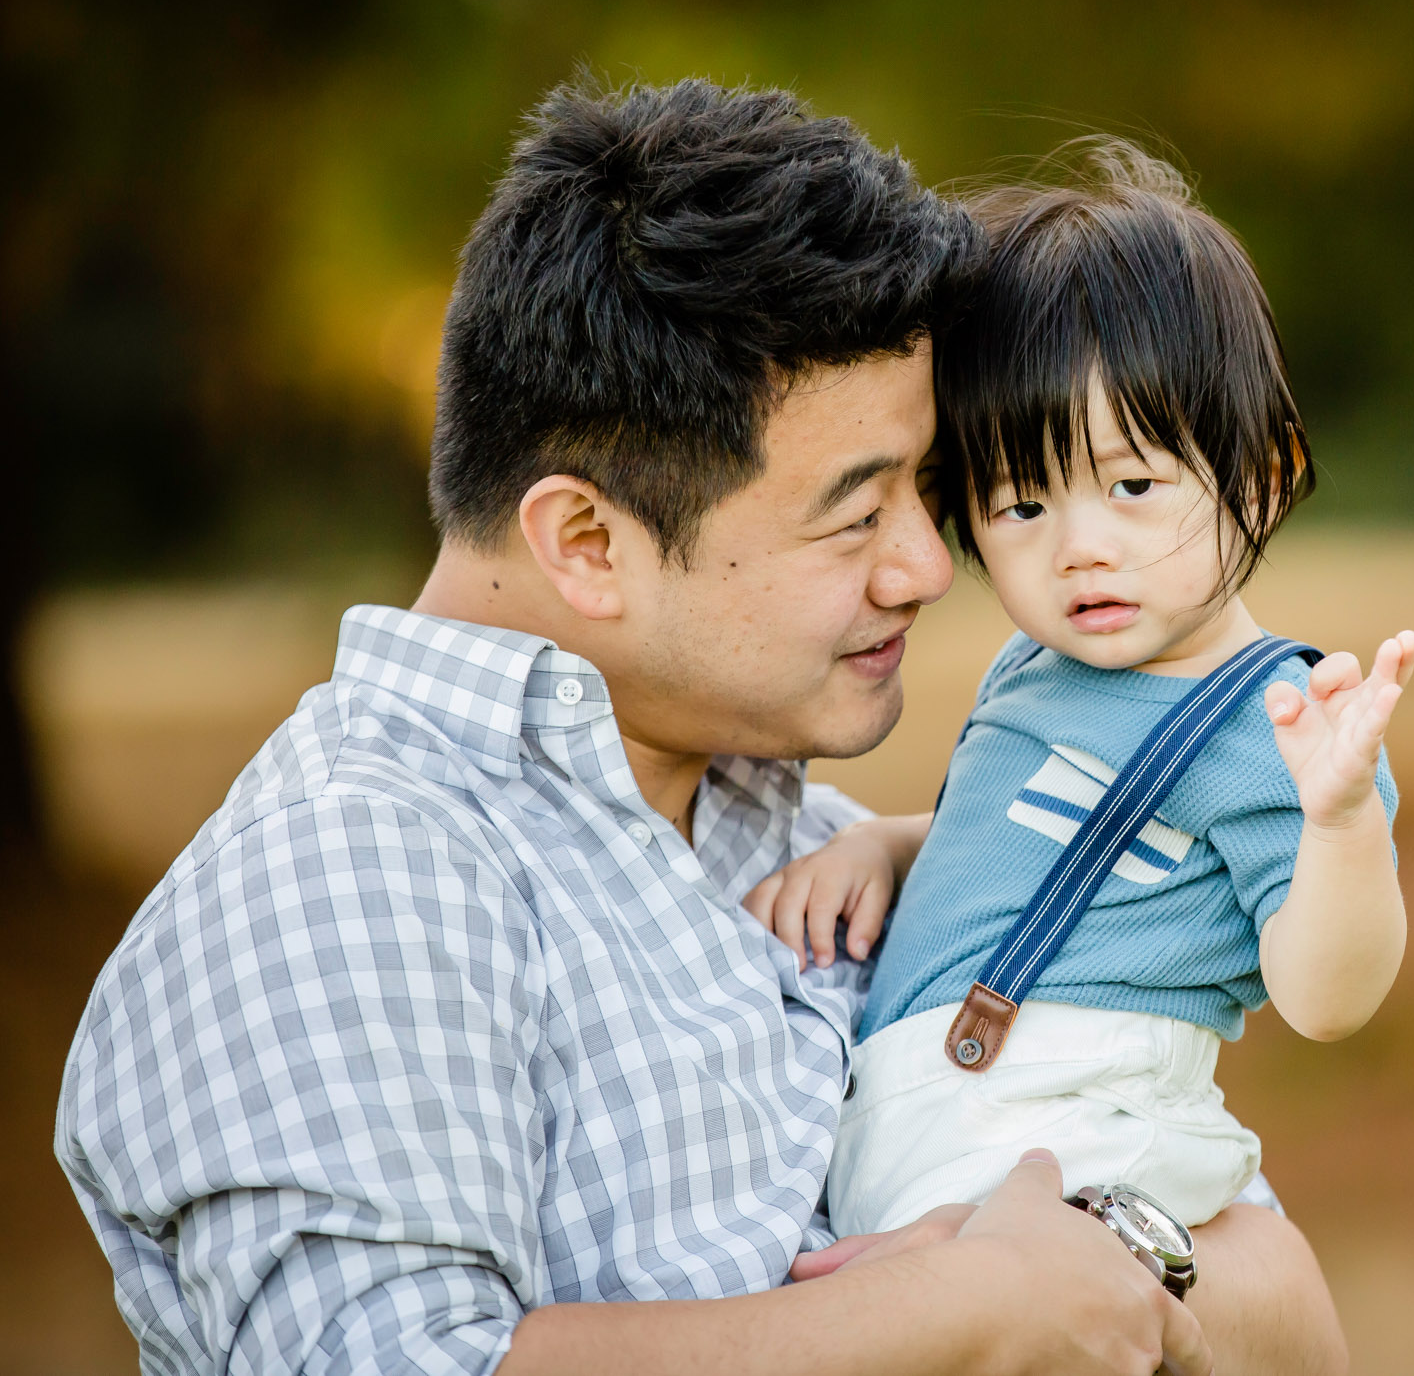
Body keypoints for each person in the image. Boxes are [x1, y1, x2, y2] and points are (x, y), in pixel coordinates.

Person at [54, 79, 1346, 1376]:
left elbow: (1278, 1285)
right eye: (856, 511)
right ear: (586, 541)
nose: (926, 566)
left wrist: (1110, 1252)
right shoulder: (346, 874)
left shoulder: (826, 848)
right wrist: (961, 1309)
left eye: (931, 489)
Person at [741, 142, 1414, 1239]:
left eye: (1133, 486)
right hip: (934, 1131)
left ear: (1264, 477)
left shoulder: (1273, 725)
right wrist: (890, 847)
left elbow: (1324, 998)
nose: (1079, 549)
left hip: (1074, 1129)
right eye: (1022, 505)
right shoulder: (1041, 669)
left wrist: (1339, 827)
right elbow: (1026, 835)